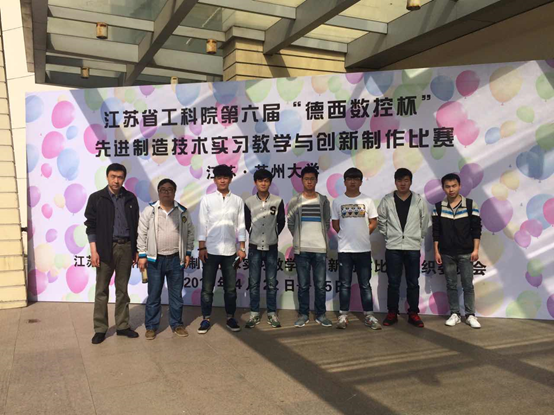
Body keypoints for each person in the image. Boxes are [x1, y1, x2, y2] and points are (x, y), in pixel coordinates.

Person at [84, 163, 140, 344]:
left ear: (124, 179)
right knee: (101, 290)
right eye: (113, 176)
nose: (116, 180)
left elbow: (136, 225)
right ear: (107, 177)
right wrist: (94, 250)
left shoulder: (130, 198)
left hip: (126, 247)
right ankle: (100, 329)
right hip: (104, 249)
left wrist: (136, 250)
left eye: (120, 177)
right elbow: (90, 226)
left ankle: (122, 326)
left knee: (122, 290)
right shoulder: (96, 198)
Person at [137, 179, 195, 340]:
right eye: (163, 189)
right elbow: (141, 232)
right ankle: (151, 326)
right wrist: (142, 255)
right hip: (155, 260)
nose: (166, 192)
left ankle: (177, 324)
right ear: (158, 192)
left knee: (176, 295)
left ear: (175, 192)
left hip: (176, 259)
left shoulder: (182, 211)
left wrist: (188, 252)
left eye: (170, 189)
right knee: (154, 294)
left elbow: (190, 232)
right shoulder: (150, 210)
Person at [197, 164, 246, 334]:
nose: (223, 180)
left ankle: (230, 317)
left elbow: (241, 225)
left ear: (230, 179)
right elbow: (202, 224)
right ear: (215, 180)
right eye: (219, 177)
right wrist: (201, 247)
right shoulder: (207, 199)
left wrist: (242, 247)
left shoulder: (237, 200)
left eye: (226, 177)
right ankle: (206, 318)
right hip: (210, 250)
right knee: (207, 288)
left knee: (230, 289)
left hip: (230, 251)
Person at [378, 168, 429, 328]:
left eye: (406, 180)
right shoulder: (387, 200)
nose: (402, 183)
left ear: (410, 182)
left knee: (413, 282)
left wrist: (417, 237)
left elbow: (424, 222)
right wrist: (389, 236)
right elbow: (381, 221)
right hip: (393, 247)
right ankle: (392, 312)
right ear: (395, 182)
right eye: (399, 180)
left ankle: (413, 313)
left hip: (412, 247)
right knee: (393, 282)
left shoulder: (418, 200)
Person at [331, 168, 380, 330]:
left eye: (356, 179)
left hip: (363, 250)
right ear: (344, 182)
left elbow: (373, 222)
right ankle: (343, 315)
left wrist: (364, 234)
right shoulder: (337, 201)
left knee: (365, 284)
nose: (352, 182)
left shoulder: (367, 200)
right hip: (345, 250)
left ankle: (369, 316)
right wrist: (345, 236)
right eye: (349, 179)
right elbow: (335, 224)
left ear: (361, 181)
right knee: (344, 284)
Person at [433, 173, 482, 329]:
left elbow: (476, 229)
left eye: (454, 186)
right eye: (447, 186)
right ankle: (455, 314)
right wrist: (436, 251)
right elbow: (436, 232)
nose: (451, 189)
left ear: (460, 186)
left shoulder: (470, 205)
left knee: (468, 285)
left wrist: (475, 249)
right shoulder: (438, 207)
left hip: (466, 252)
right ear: (443, 188)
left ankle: (470, 315)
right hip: (446, 253)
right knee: (451, 285)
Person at [287, 166, 332, 328]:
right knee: (303, 285)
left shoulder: (323, 200)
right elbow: (290, 222)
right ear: (302, 180)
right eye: (306, 179)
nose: (309, 182)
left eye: (312, 179)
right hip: (302, 250)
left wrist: (319, 238)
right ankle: (303, 314)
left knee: (320, 285)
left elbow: (326, 222)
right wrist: (300, 238)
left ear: (316, 180)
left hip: (319, 249)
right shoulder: (295, 201)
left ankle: (321, 314)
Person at [244, 169, 286, 329]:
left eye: (266, 180)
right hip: (254, 247)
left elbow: (281, 222)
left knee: (271, 282)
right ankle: (254, 313)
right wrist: (255, 234)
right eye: (260, 180)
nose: (263, 183)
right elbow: (247, 223)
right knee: (254, 282)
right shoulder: (249, 202)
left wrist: (272, 234)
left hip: (271, 247)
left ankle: (272, 313)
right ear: (255, 183)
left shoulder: (277, 201)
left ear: (270, 182)